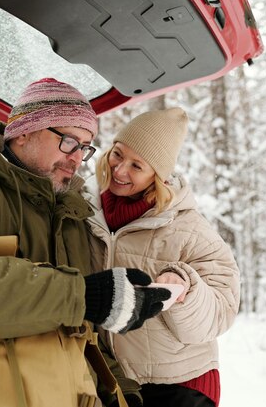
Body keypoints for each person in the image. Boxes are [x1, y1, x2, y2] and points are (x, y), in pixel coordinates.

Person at [0, 78, 170, 407]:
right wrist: (82, 295)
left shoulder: (69, 212)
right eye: (69, 141)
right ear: (23, 132)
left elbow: (80, 325)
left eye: (85, 147)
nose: (77, 158)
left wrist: (118, 388)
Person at [84, 107, 240, 407]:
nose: (119, 170)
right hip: (112, 380)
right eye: (117, 154)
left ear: (158, 175)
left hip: (178, 385)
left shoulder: (189, 229)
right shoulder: (86, 210)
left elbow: (222, 310)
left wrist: (186, 289)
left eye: (137, 165)